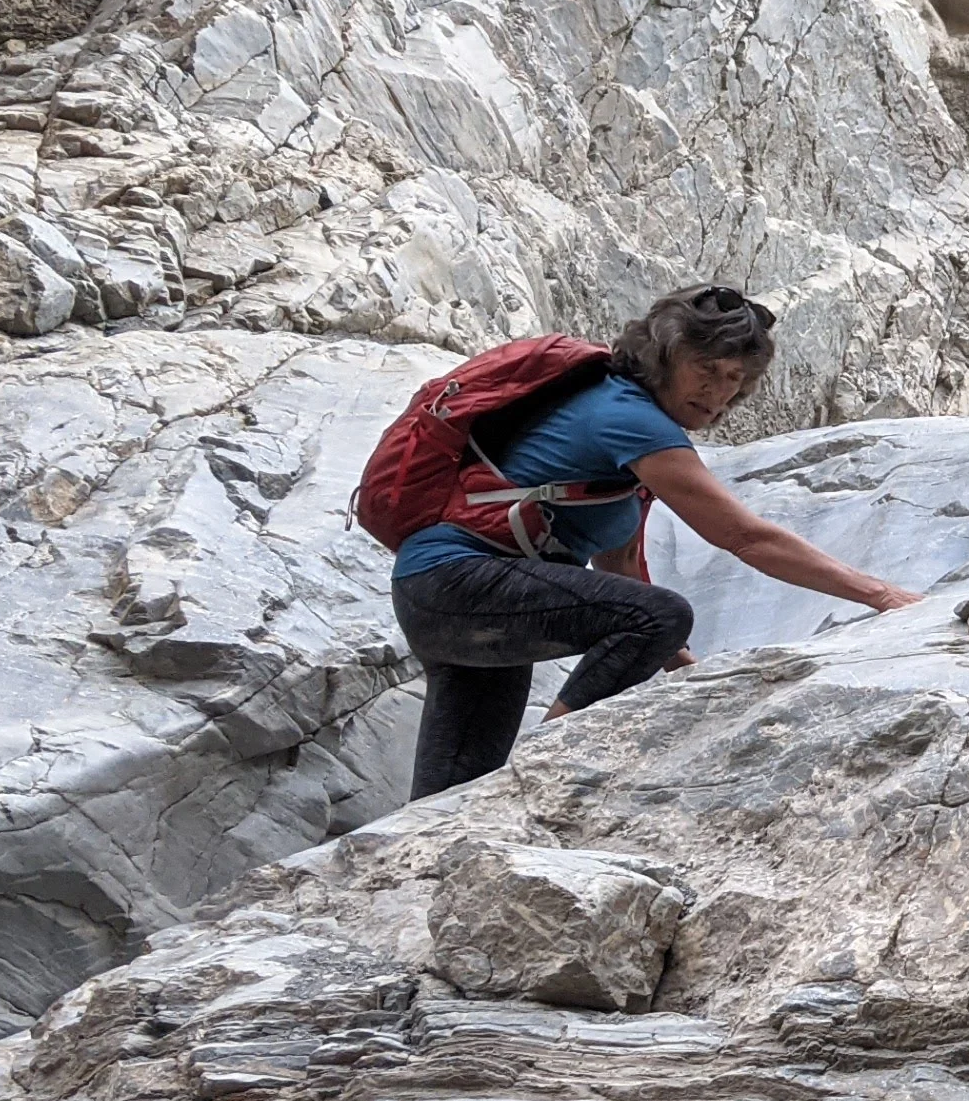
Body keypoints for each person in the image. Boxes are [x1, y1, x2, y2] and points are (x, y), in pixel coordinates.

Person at [387, 284, 920, 798]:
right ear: (664, 358)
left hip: (449, 601)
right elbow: (743, 537)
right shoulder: (632, 420)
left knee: (453, 794)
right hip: (459, 582)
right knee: (662, 614)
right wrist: (883, 597)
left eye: (735, 376)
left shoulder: (624, 430)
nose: (719, 391)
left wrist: (692, 674)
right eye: (705, 369)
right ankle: (542, 770)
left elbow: (617, 567)